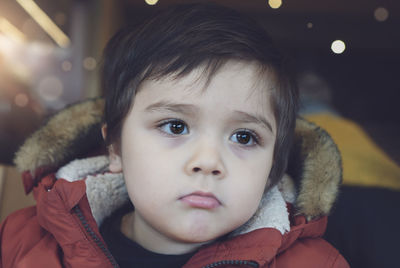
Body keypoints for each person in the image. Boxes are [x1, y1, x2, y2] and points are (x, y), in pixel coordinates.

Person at [0, 3, 349, 267]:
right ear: (116, 147)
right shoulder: (23, 242)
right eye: (176, 126)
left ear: (273, 165)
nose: (209, 162)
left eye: (244, 137)